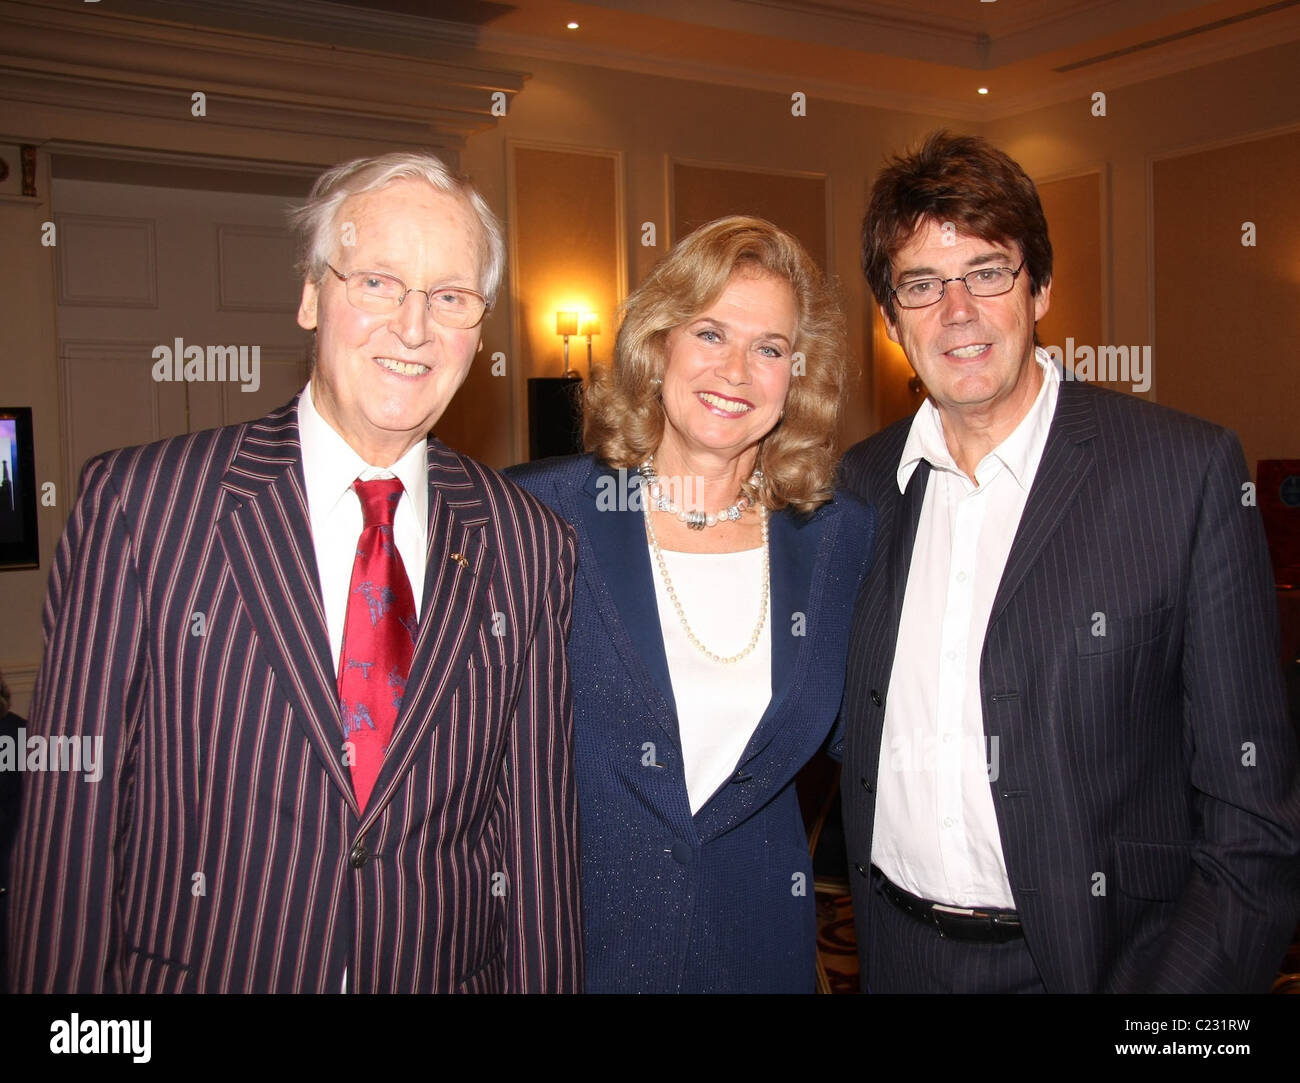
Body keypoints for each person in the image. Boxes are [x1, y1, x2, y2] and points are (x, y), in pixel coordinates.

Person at [7, 152, 582, 993]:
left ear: (479, 328)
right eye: (379, 282)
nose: (413, 327)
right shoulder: (144, 509)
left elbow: (537, 847)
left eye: (450, 298)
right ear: (313, 294)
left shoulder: (530, 543)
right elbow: (69, 831)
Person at [838, 130, 1300, 993]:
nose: (958, 310)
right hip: (894, 955)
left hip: (1104, 970)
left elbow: (1255, 824)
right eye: (922, 285)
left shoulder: (1182, 475)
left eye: (988, 271)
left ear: (1041, 286)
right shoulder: (859, 488)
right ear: (892, 314)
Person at [509, 216, 875, 992]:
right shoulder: (543, 516)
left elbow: (874, 742)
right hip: (569, 954)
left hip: (758, 951)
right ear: (658, 344)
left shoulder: (838, 538)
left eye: (770, 347)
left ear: (797, 374)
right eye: (710, 333)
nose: (737, 370)